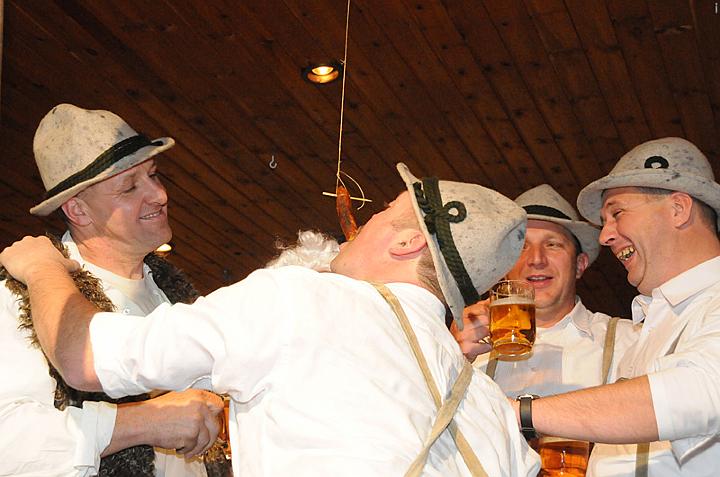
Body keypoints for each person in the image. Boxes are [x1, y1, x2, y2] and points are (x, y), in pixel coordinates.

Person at [1, 163, 541, 476]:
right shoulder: (489, 403)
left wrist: (43, 268)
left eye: (381, 213)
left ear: (407, 243)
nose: (364, 223)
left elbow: (85, 358)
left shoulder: (300, 299)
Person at [0, 104, 225, 477]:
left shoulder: (178, 297)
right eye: (130, 186)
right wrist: (142, 422)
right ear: (78, 210)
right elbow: (7, 442)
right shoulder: (19, 299)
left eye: (153, 175)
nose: (159, 195)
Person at [499, 136, 719, 476]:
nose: (604, 236)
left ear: (678, 209)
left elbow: (697, 391)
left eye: (617, 213)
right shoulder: (652, 327)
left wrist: (518, 412)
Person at [454, 184, 638, 397]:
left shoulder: (631, 342)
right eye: (521, 246)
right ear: (503, 267)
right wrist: (450, 357)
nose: (537, 259)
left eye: (553, 245)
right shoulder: (468, 349)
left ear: (579, 265)